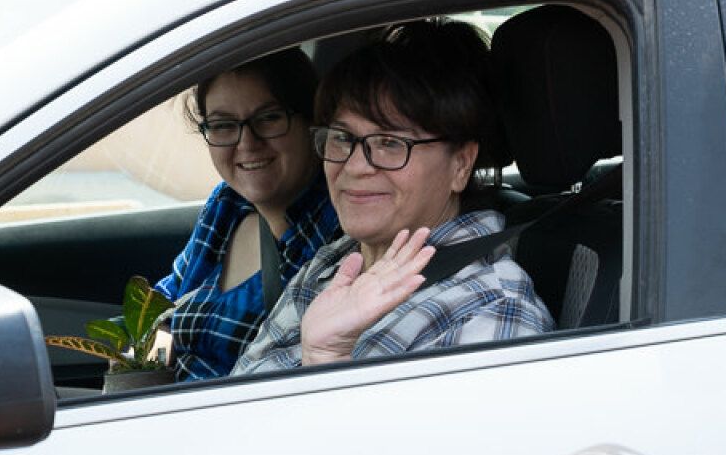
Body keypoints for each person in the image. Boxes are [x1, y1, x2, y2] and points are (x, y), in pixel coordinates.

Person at [232, 19, 553, 374]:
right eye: (342, 138)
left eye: (389, 143)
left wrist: (325, 361)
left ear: (461, 164)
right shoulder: (334, 262)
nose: (354, 166)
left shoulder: (492, 316)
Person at [155, 48, 340, 381]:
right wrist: (140, 369)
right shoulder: (227, 205)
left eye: (268, 118)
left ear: (311, 120)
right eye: (224, 125)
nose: (247, 143)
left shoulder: (338, 230)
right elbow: (162, 304)